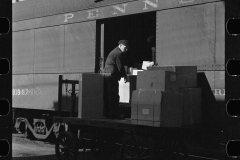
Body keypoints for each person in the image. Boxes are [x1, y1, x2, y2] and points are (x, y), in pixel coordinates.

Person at [102, 40, 129, 119]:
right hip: (111, 75)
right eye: (125, 47)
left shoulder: (114, 52)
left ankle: (107, 114)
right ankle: (115, 115)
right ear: (120, 46)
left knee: (107, 95)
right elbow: (120, 66)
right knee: (114, 95)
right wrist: (124, 76)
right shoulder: (118, 53)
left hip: (107, 74)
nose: (126, 49)